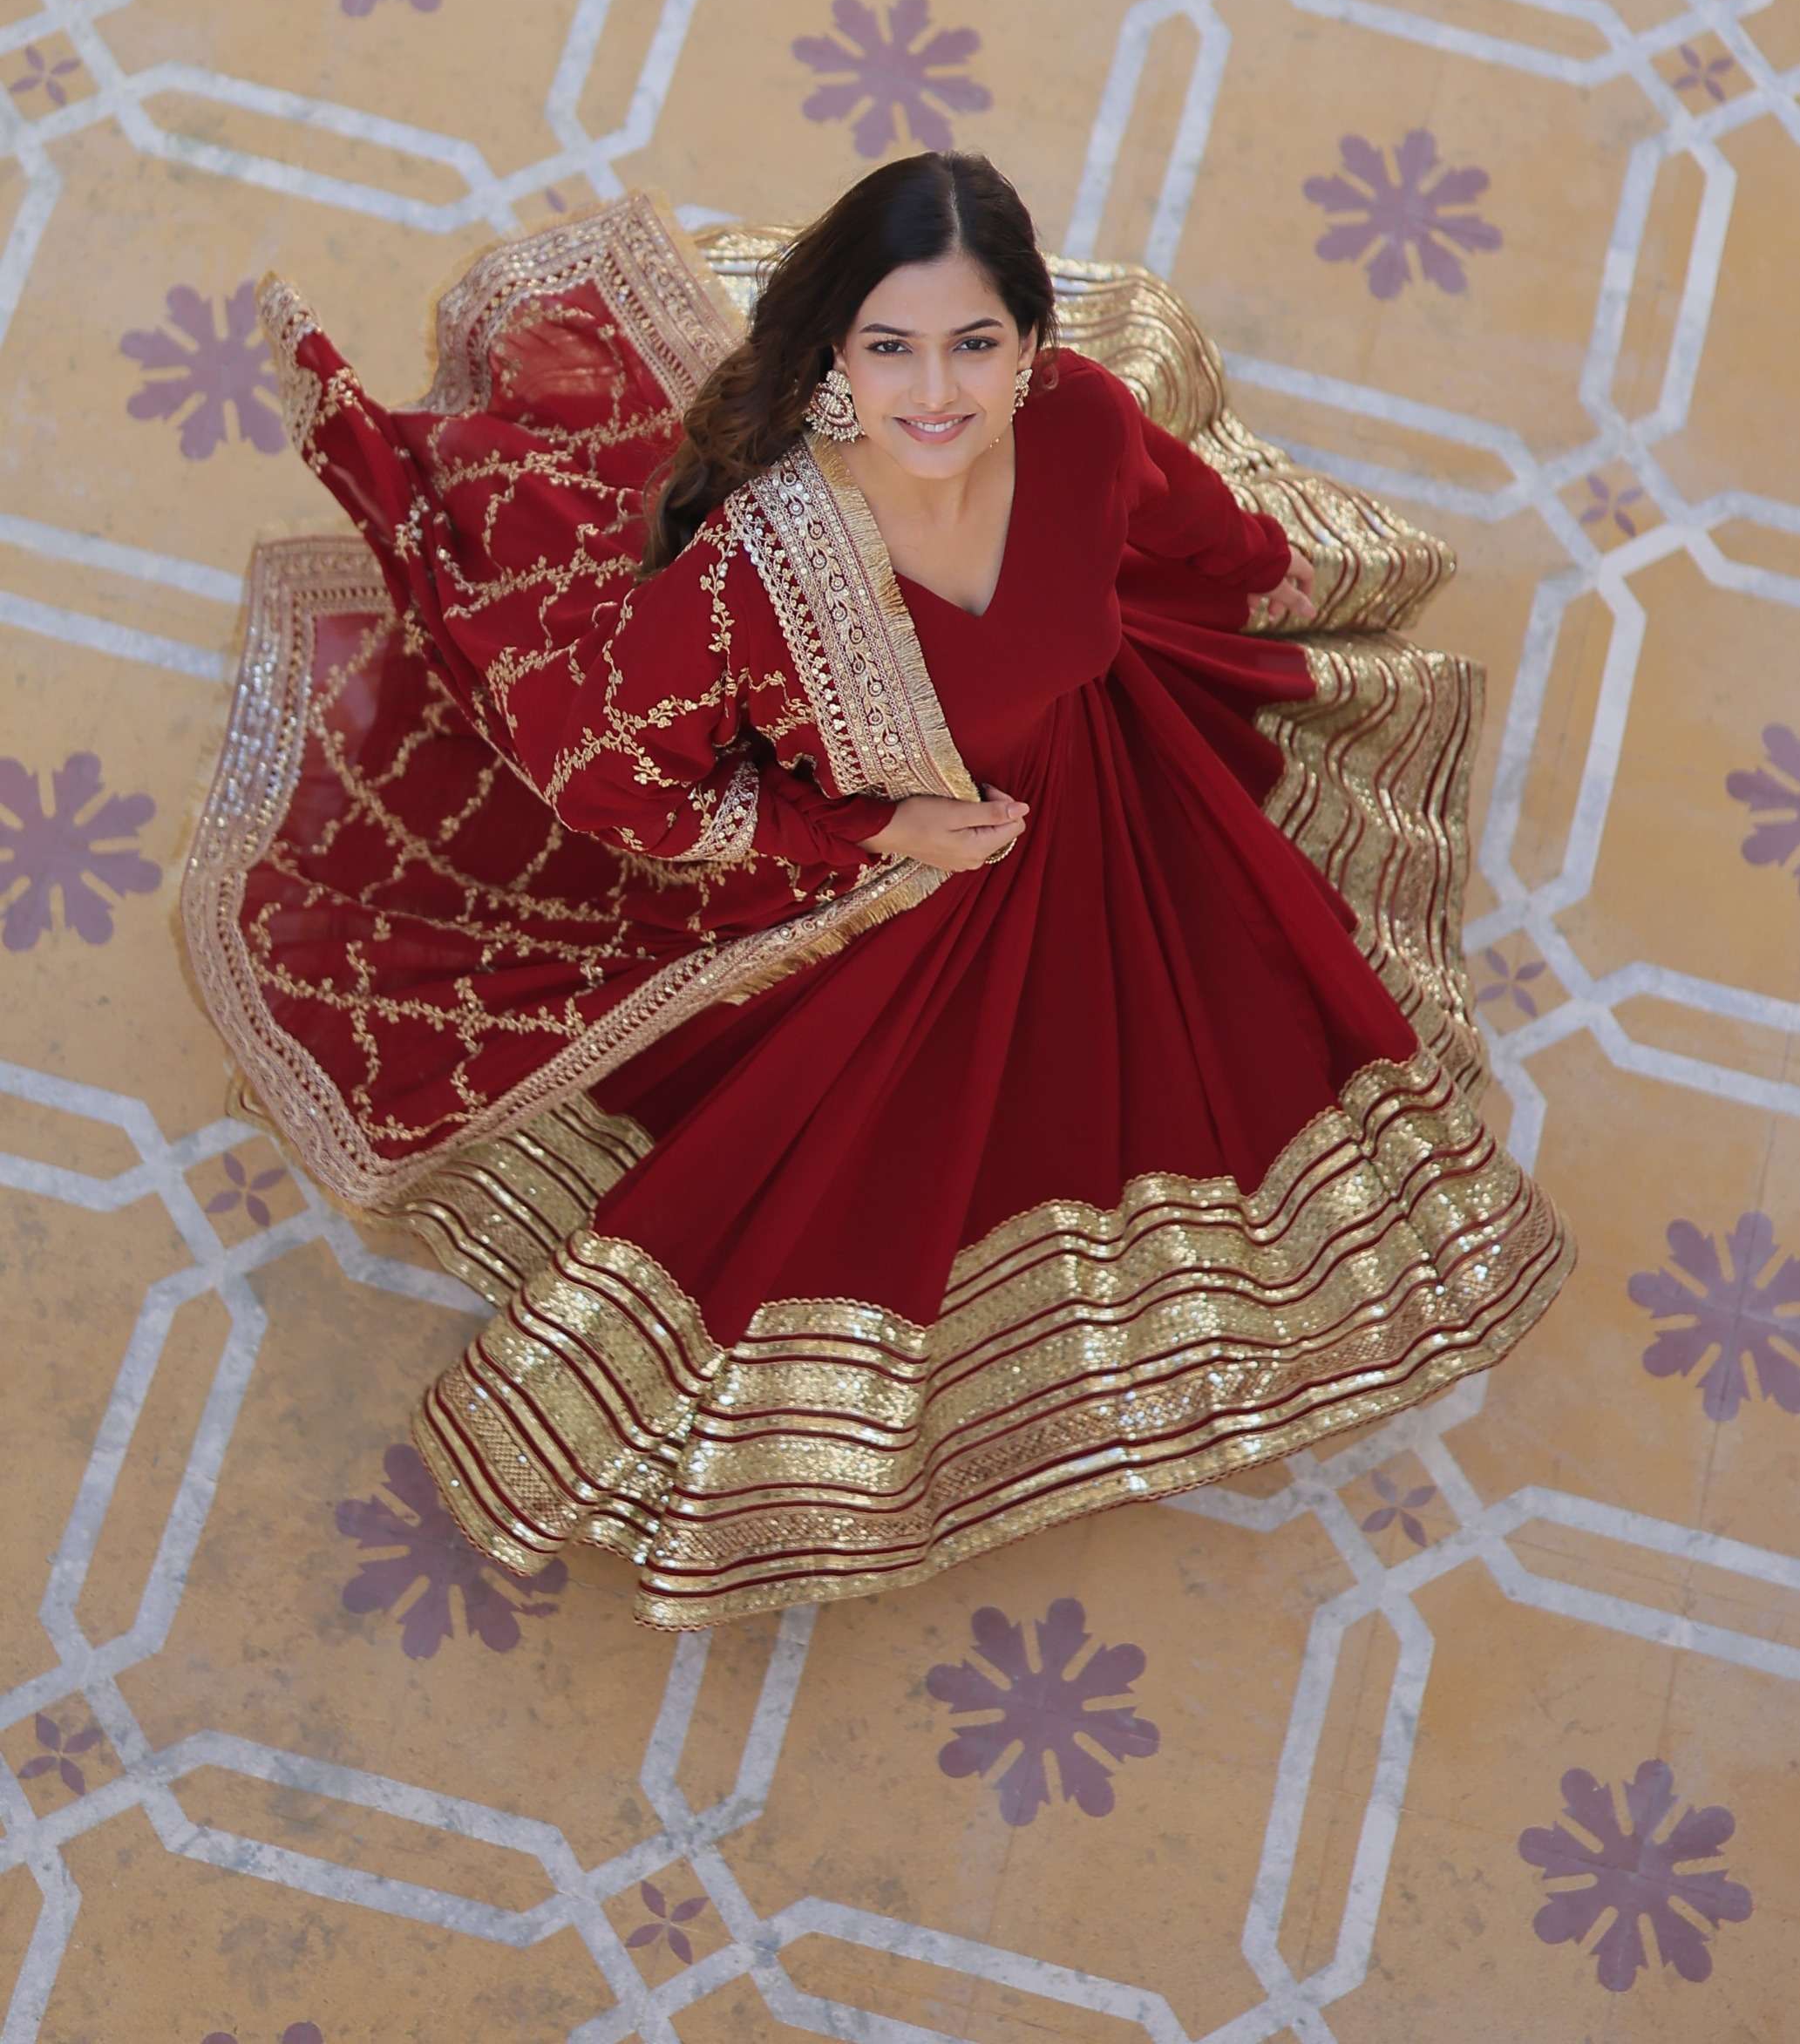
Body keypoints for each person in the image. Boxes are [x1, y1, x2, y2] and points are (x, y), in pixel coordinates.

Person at [182, 153, 1576, 1632]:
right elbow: (619, 786)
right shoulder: (756, 569)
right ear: (834, 353)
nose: (935, 395)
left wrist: (1263, 565)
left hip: (1106, 779)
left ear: (1031, 344)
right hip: (904, 885)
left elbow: (1174, 513)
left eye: (975, 345)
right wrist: (870, 829)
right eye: (889, 348)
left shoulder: (1081, 421)